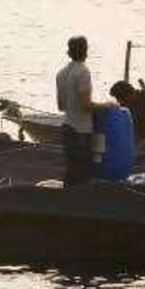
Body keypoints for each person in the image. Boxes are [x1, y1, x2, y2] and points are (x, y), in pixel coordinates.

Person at [56, 36, 115, 187]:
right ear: (85, 51)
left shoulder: (61, 73)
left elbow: (61, 106)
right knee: (83, 174)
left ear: (69, 52)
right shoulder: (83, 72)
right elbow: (86, 106)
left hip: (67, 127)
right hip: (80, 131)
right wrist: (107, 105)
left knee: (71, 173)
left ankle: (66, 203)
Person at [109, 79, 145, 157]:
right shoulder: (126, 104)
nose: (119, 102)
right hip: (136, 135)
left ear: (128, 95)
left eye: (119, 99)